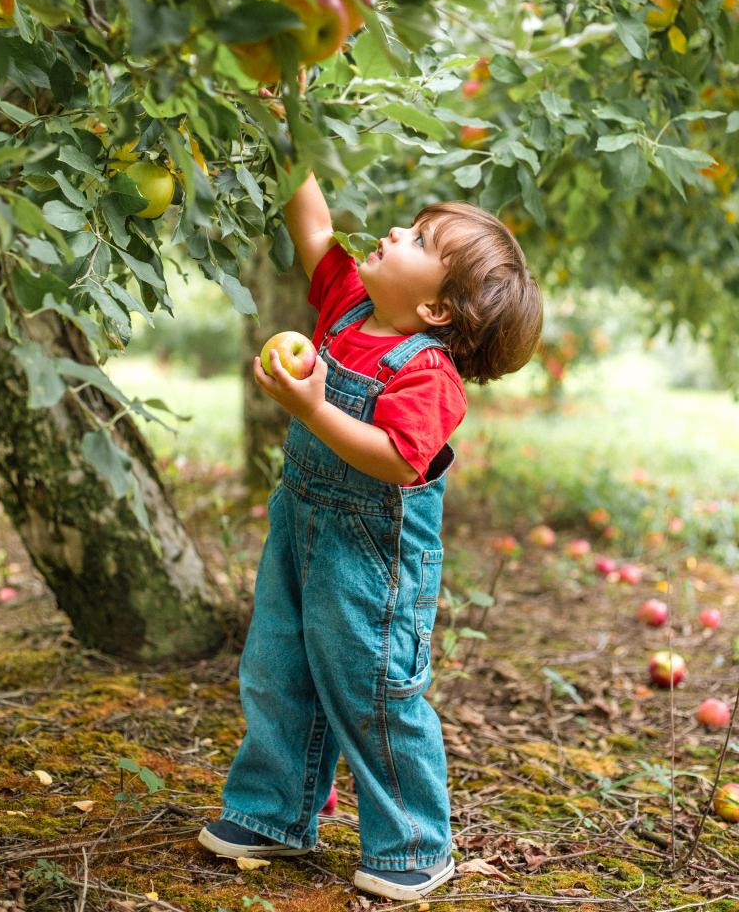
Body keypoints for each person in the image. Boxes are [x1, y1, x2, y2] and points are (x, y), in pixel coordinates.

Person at [199, 172, 543, 901]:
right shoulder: (351, 298)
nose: (393, 232)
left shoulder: (427, 373)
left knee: (375, 689)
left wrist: (314, 408)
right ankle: (273, 814)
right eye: (410, 223)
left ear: (434, 307)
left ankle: (415, 843)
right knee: (276, 664)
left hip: (374, 555)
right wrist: (289, 125)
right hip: (299, 523)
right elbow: (315, 227)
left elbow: (396, 458)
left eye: (418, 239)